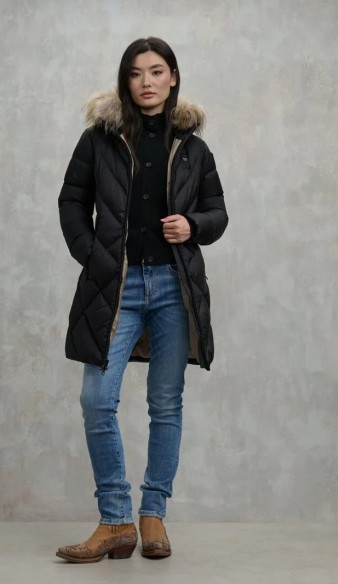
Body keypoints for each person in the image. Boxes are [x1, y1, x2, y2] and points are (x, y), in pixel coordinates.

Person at [56, 37, 228, 564]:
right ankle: (115, 520)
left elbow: (217, 213)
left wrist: (193, 225)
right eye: (135, 73)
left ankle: (153, 514)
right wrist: (95, 257)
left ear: (173, 77)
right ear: (125, 81)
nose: (146, 82)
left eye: (156, 71)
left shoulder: (194, 149)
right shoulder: (99, 140)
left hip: (174, 289)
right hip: (118, 287)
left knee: (165, 403)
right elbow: (72, 201)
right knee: (97, 400)